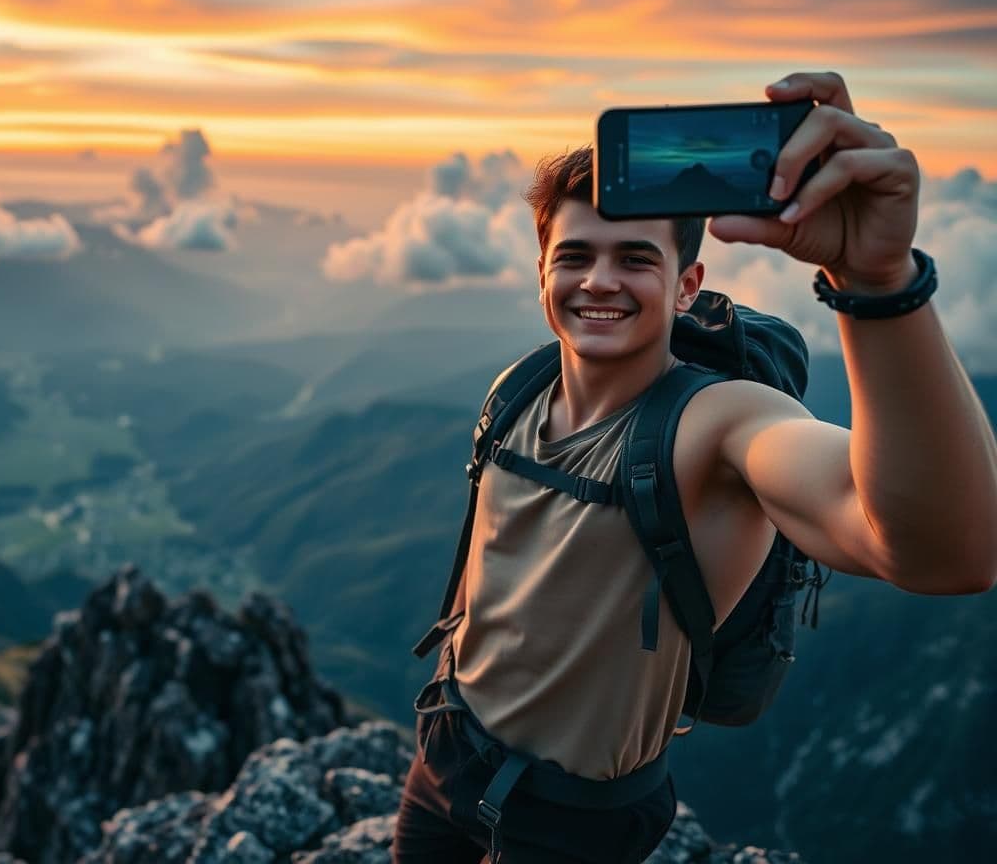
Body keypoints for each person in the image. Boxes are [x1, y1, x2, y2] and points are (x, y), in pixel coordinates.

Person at [391, 71, 997, 863]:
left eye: (634, 258)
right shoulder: (520, 389)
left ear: (687, 288)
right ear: (542, 271)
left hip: (567, 822)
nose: (599, 279)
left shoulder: (716, 426)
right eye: (574, 255)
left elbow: (947, 554)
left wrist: (878, 281)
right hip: (444, 756)